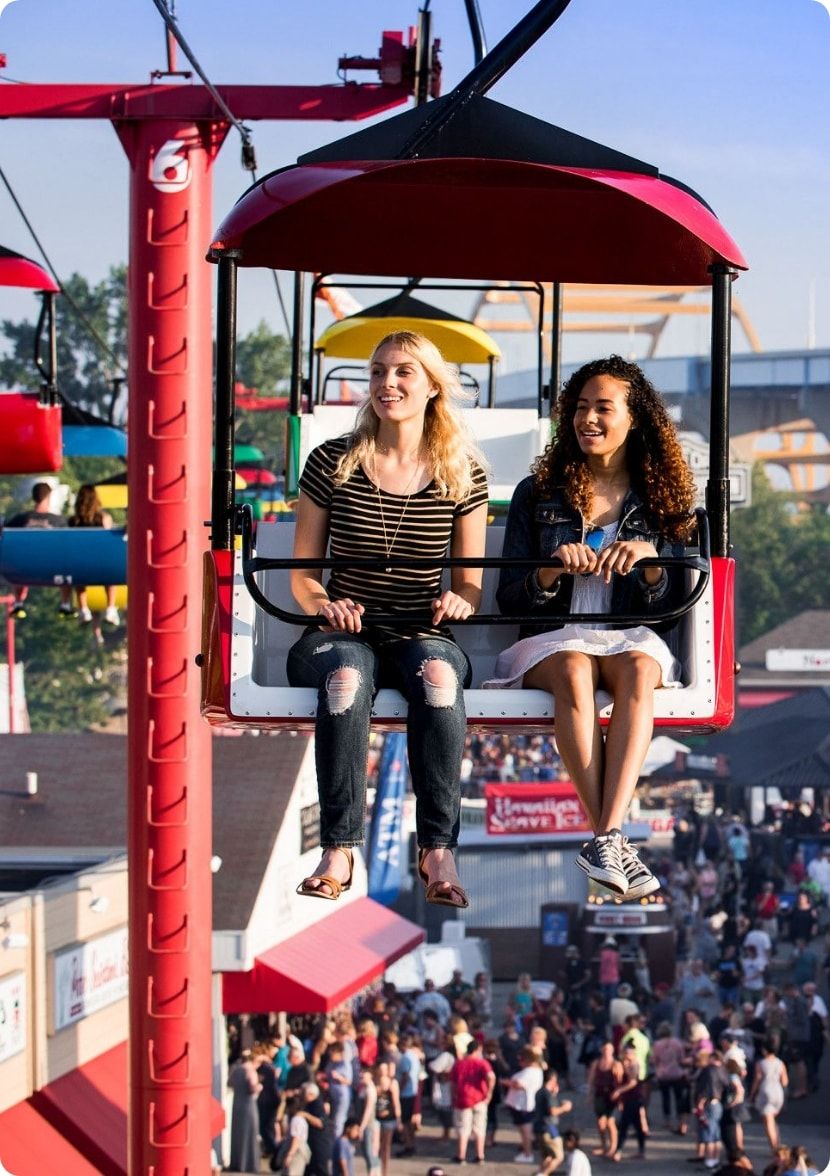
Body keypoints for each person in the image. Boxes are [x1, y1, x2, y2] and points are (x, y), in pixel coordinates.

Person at [289, 331, 488, 907]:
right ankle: (340, 848)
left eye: (403, 372)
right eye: (377, 372)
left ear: (431, 387)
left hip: (418, 631)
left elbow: (470, 582)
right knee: (347, 678)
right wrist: (323, 605)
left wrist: (462, 601)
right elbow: (302, 576)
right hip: (340, 631)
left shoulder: (462, 471)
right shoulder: (332, 460)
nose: (386, 384)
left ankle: (437, 849)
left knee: (439, 679)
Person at [488, 356, 695, 896]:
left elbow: (672, 607)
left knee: (639, 669)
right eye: (579, 409)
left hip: (628, 634)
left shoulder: (662, 499)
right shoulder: (538, 493)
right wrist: (552, 569)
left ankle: (607, 837)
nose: (588, 420)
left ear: (635, 419)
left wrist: (652, 561)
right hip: (553, 639)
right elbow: (510, 599)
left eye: (603, 408)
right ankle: (609, 839)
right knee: (577, 669)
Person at [5, 480, 68, 619]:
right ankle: (65, 604)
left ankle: (18, 603)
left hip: (24, 567)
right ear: (49, 497)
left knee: (18, 561)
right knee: (67, 566)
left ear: (33, 497)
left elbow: (5, 534)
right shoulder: (59, 521)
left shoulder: (21, 519)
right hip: (53, 565)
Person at [67, 483, 120, 624]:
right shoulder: (103, 519)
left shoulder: (73, 521)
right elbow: (109, 542)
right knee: (111, 574)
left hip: (81, 566)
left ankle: (83, 609)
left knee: (78, 573)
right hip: (101, 564)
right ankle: (111, 608)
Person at [449, 1039, 495, 1165]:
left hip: (463, 1099)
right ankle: (480, 1155)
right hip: (479, 1098)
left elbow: (452, 1083)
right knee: (480, 1128)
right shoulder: (482, 1063)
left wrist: (453, 1096)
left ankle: (461, 1156)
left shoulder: (459, 1064)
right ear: (477, 1050)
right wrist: (489, 1092)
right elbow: (491, 1077)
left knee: (463, 1128)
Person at [504, 1045, 545, 1164]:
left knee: (525, 1131)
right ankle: (526, 1150)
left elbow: (518, 1084)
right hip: (524, 1104)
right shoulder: (537, 1071)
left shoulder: (530, 1072)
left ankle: (528, 1153)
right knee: (525, 1130)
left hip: (523, 1105)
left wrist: (506, 1082)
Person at [651, 1020, 689, 1135]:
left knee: (665, 1098)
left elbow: (654, 1060)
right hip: (676, 1073)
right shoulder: (677, 1043)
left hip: (663, 1074)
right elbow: (681, 1059)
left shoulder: (657, 1045)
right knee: (678, 1098)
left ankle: (667, 1120)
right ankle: (679, 1119)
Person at [750, 1039, 788, 1153]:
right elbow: (785, 1081)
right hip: (778, 1091)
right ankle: (778, 1143)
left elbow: (757, 1079)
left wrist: (752, 1094)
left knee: (768, 1122)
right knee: (773, 1119)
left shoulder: (761, 1063)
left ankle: (774, 1148)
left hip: (766, 1090)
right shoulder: (780, 1063)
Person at [227, 1050, 262, 1173]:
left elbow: (229, 1083)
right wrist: (260, 1087)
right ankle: (249, 1164)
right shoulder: (250, 1071)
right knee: (250, 1133)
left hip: (237, 1105)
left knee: (238, 1134)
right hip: (248, 1105)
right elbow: (253, 1088)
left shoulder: (236, 1069)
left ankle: (237, 1162)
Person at [586, 1041, 622, 1160]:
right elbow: (591, 1080)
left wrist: (620, 1099)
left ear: (612, 1051)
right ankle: (603, 1145)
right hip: (600, 1095)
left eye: (609, 1049)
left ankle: (613, 1147)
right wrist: (589, 1095)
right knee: (600, 1123)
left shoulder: (616, 1064)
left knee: (610, 1122)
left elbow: (620, 1082)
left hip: (612, 1096)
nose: (606, 1052)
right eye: (605, 1049)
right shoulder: (596, 1064)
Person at [532, 1069, 573, 1174]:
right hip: (549, 1129)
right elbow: (552, 1111)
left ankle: (539, 1173)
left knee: (547, 1157)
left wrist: (554, 1095)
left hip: (539, 1129)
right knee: (558, 1157)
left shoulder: (539, 1092)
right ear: (552, 1079)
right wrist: (565, 1108)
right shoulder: (547, 1094)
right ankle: (542, 1174)